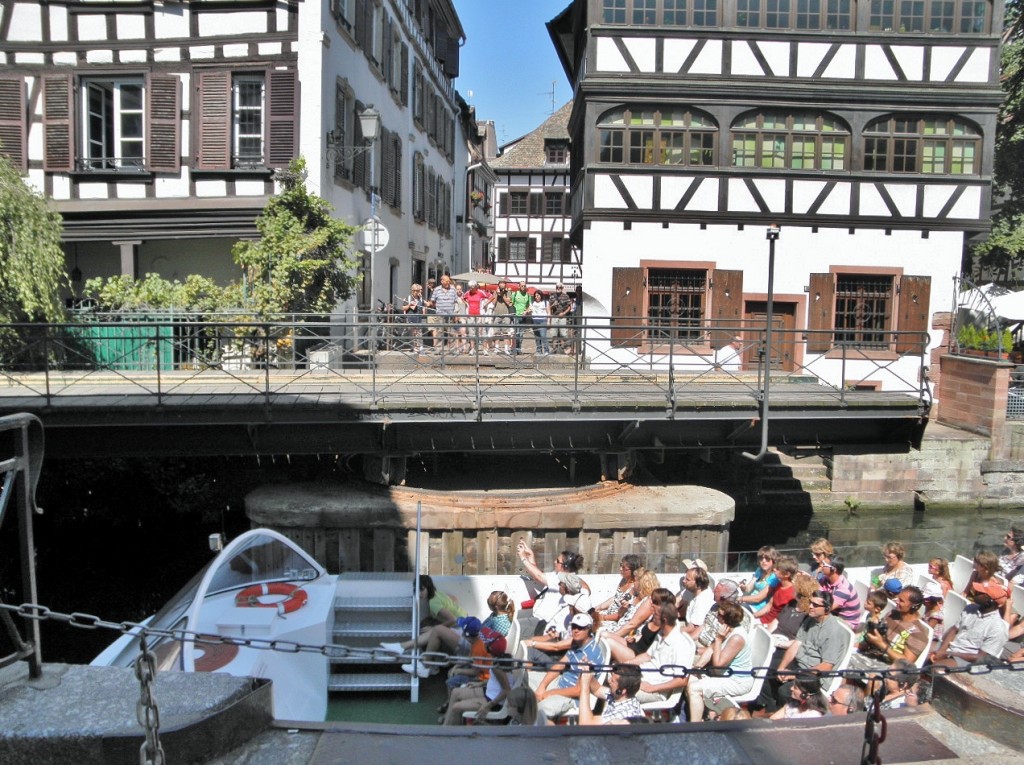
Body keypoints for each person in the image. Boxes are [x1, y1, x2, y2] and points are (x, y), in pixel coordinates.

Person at [763, 591, 847, 712]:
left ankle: (786, 715)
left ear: (827, 609)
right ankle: (768, 708)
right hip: (799, 665)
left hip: (814, 675)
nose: (810, 606)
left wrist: (794, 675)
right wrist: (782, 667)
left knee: (785, 691)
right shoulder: (810, 619)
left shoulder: (833, 632)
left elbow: (826, 666)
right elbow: (796, 644)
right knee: (771, 670)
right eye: (810, 603)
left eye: (815, 605)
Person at [686, 600, 753, 721]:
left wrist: (718, 639)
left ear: (727, 619)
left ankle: (694, 726)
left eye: (720, 614)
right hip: (724, 675)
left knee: (694, 688)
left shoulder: (737, 638)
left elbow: (718, 666)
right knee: (689, 678)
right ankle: (703, 716)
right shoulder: (726, 630)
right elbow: (711, 649)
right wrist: (697, 667)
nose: (717, 615)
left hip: (737, 681)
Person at [531, 612, 604, 719]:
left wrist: (551, 693)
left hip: (571, 697)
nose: (576, 630)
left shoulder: (591, 654)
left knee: (541, 709)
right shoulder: (577, 642)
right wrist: (543, 685)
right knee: (524, 677)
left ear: (588, 628)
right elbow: (560, 665)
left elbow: (579, 690)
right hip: (561, 682)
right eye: (574, 626)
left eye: (580, 627)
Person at [624, 601, 695, 704]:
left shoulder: (681, 645)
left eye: (655, 615)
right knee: (613, 677)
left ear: (664, 620)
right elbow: (647, 655)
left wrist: (652, 688)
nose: (652, 616)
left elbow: (682, 680)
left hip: (655, 691)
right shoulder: (661, 633)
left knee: (619, 692)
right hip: (641, 676)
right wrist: (626, 664)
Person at [929, 579, 1009, 668]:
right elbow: (954, 630)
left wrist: (948, 653)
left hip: (966, 660)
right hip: (950, 648)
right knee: (923, 648)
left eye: (980, 593)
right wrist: (942, 650)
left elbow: (981, 658)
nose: (975, 592)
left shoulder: (998, 628)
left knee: (937, 668)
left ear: (989, 602)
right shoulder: (970, 608)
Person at [517, 539, 588, 635]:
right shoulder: (558, 576)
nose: (554, 561)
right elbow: (538, 576)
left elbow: (538, 576)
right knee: (513, 616)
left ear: (565, 566)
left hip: (541, 621)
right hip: (536, 614)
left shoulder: (562, 579)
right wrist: (531, 557)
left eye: (558, 561)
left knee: (514, 624)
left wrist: (523, 558)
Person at [849, 586, 928, 670]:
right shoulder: (892, 614)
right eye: (898, 598)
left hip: (888, 668)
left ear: (913, 607)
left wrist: (882, 645)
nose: (897, 601)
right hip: (871, 655)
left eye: (901, 601)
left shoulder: (918, 634)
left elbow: (906, 663)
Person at [441, 633, 512, 725]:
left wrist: (489, 705)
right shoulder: (498, 660)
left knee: (456, 707)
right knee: (455, 692)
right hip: (488, 692)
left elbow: (507, 690)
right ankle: (447, 723)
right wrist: (480, 683)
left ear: (490, 648)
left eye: (487, 643)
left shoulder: (497, 668)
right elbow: (496, 681)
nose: (484, 644)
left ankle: (448, 728)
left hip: (493, 702)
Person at [577, 663, 644, 725]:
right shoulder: (619, 696)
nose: (609, 680)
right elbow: (597, 689)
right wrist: (587, 670)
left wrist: (585, 686)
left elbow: (585, 724)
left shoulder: (624, 713)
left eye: (612, 680)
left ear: (622, 691)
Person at [602, 569, 659, 636]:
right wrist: (624, 608)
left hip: (626, 633)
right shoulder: (635, 596)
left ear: (642, 583)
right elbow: (620, 615)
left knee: (598, 630)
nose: (633, 583)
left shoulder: (648, 601)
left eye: (635, 580)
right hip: (618, 626)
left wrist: (613, 636)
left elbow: (632, 624)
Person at [818, 555, 862, 631]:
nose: (821, 565)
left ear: (833, 569)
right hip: (834, 615)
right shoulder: (826, 579)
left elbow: (826, 609)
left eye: (824, 564)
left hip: (845, 623)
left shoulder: (843, 589)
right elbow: (817, 592)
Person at [754, 557, 798, 629]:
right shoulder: (779, 585)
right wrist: (754, 616)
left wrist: (766, 626)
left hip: (771, 626)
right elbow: (769, 605)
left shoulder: (792, 595)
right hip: (762, 620)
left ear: (787, 574)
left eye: (778, 569)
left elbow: (783, 619)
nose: (774, 569)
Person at [596, 555, 641, 622]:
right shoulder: (624, 580)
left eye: (624, 568)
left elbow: (622, 613)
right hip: (609, 613)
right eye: (620, 565)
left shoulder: (634, 587)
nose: (620, 569)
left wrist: (602, 617)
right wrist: (598, 607)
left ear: (633, 570)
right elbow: (616, 598)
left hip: (617, 619)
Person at [739, 546, 778, 611]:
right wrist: (743, 587)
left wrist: (740, 598)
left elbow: (758, 598)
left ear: (773, 560)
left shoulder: (774, 577)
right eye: (761, 558)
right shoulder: (759, 570)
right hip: (748, 604)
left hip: (760, 608)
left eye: (767, 558)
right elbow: (748, 589)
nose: (763, 561)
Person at [680, 565, 714, 639]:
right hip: (687, 625)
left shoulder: (703, 600)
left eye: (687, 579)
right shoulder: (692, 590)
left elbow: (692, 628)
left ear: (698, 585)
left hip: (695, 635)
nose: (684, 581)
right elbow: (677, 603)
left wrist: (671, 631)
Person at [462, 280, 493, 355]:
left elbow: (491, 296)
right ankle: (472, 349)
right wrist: (467, 304)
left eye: (472, 287)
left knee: (482, 332)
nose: (471, 289)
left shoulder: (481, 292)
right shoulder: (468, 293)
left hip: (480, 314)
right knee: (471, 332)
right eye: (470, 287)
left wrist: (485, 304)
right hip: (470, 314)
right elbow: (463, 298)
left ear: (476, 287)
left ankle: (484, 349)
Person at [430, 274, 458, 354]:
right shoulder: (437, 289)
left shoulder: (453, 289)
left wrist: (456, 313)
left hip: (450, 314)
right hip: (440, 314)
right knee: (440, 332)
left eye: (449, 281)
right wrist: (437, 307)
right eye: (446, 281)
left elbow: (456, 301)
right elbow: (433, 301)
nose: (448, 282)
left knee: (451, 332)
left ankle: (452, 349)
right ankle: (439, 349)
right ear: (442, 281)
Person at [548, 283, 574, 354]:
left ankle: (564, 349)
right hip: (554, 316)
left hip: (562, 317)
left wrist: (564, 313)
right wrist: (553, 305)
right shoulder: (552, 296)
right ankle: (554, 349)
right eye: (557, 287)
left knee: (563, 334)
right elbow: (549, 307)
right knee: (554, 334)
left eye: (559, 287)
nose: (558, 288)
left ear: (562, 288)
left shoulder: (566, 296)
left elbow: (569, 307)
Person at [400, 284, 426, 353]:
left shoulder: (420, 298)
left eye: (417, 291)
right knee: (412, 333)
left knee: (419, 334)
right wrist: (409, 305)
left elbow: (423, 307)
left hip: (418, 319)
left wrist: (423, 313)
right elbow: (403, 308)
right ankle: (413, 347)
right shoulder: (408, 298)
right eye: (414, 291)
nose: (416, 292)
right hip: (410, 319)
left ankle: (419, 348)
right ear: (412, 291)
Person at [510, 283, 532, 354]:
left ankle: (519, 349)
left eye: (524, 286)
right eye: (522, 286)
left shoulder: (528, 295)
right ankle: (514, 349)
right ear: (519, 286)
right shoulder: (515, 294)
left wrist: (526, 311)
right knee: (516, 333)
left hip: (524, 317)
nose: (523, 287)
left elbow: (529, 305)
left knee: (521, 334)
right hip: (516, 316)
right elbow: (511, 303)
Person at [1000, 521, 1024, 585]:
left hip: (1005, 583)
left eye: (1008, 537)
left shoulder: (1021, 556)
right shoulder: (1004, 551)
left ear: (1014, 542)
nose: (1005, 538)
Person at [530, 290, 550, 355]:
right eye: (535, 296)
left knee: (543, 335)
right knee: (537, 337)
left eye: (538, 295)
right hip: (534, 320)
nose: (536, 297)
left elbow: (549, 312)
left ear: (541, 296)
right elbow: (530, 310)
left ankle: (546, 350)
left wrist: (548, 321)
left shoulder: (545, 302)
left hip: (543, 320)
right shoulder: (532, 302)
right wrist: (528, 311)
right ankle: (539, 350)